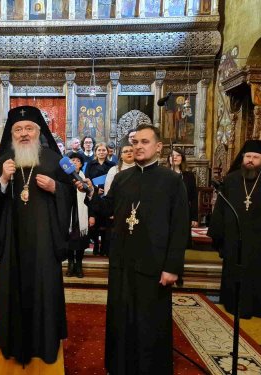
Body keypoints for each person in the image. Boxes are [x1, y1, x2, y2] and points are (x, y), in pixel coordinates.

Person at [76, 124, 189, 375]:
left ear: (158, 147)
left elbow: (180, 227)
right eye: (135, 142)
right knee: (122, 315)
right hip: (123, 259)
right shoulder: (122, 177)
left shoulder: (172, 180)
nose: (138, 146)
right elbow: (107, 210)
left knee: (150, 320)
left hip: (155, 261)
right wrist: (91, 192)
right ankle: (120, 365)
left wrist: (172, 267)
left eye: (145, 142)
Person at [0, 105, 72, 365]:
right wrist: (2, 180)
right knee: (14, 286)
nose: (23, 133)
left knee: (44, 287)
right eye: (18, 129)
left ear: (39, 131)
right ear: (12, 134)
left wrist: (56, 187)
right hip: (14, 240)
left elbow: (74, 192)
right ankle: (14, 342)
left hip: (44, 239)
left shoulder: (55, 160)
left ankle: (45, 342)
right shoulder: (4, 160)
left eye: (29, 128)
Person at [208, 140, 261, 319]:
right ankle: (232, 303)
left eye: (255, 157)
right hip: (235, 239)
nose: (250, 160)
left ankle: (259, 306)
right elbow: (220, 210)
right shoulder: (232, 179)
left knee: (259, 274)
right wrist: (219, 235)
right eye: (247, 156)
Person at [85, 142, 115, 256]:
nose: (101, 152)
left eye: (104, 150)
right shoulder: (90, 164)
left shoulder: (112, 164)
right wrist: (95, 189)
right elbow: (87, 178)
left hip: (108, 195)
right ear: (96, 151)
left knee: (105, 221)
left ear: (107, 151)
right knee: (94, 222)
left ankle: (104, 247)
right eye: (99, 150)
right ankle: (96, 245)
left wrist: (106, 190)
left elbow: (114, 178)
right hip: (95, 194)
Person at [65, 151, 89, 278]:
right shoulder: (64, 178)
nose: (74, 162)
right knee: (69, 242)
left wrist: (92, 216)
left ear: (81, 164)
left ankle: (78, 266)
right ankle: (70, 265)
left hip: (81, 215)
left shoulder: (85, 178)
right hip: (68, 214)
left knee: (80, 242)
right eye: (72, 160)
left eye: (77, 161)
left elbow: (91, 198)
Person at [168, 148, 198, 228]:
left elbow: (194, 197)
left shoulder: (189, 176)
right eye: (172, 155)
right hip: (167, 213)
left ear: (182, 158)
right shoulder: (163, 175)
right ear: (169, 158)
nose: (175, 157)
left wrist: (194, 217)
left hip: (184, 212)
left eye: (178, 155)